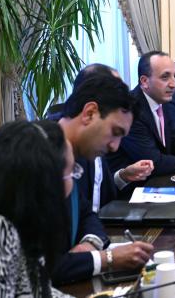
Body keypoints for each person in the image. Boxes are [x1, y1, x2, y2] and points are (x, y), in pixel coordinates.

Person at [54, 74, 154, 285]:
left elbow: (87, 213)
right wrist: (107, 258)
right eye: (115, 132)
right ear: (90, 113)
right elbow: (39, 266)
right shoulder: (35, 153)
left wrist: (90, 243)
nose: (114, 147)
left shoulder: (75, 152)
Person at [0, 120, 72, 297]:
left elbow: (41, 292)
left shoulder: (22, 232)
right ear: (46, 181)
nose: (72, 182)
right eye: (71, 172)